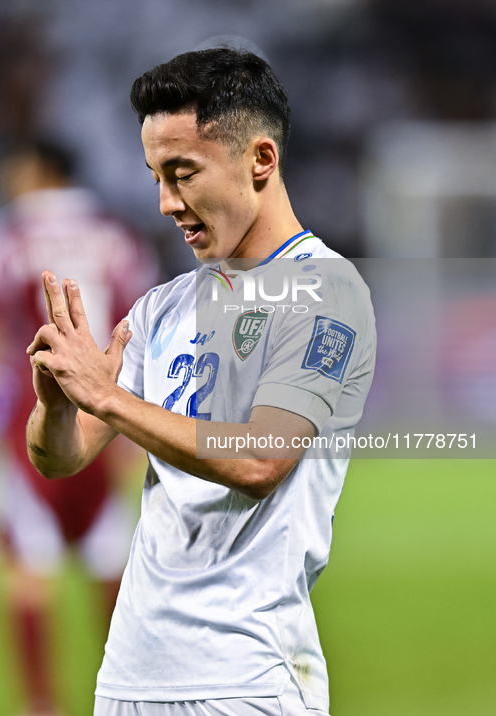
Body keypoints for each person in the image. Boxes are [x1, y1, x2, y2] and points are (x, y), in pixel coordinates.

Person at [25, 49, 376, 716]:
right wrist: (60, 407)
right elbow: (58, 459)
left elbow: (259, 458)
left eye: (182, 174)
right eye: (155, 176)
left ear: (260, 161)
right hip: (129, 676)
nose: (164, 202)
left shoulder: (324, 294)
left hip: (245, 680)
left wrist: (110, 398)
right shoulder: (163, 308)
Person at [0, 139, 157, 716]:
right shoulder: (119, 236)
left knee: (26, 570)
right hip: (110, 416)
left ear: (36, 170)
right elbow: (145, 332)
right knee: (112, 566)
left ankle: (42, 705)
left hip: (30, 427)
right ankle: (133, 698)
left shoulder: (3, 239)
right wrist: (136, 428)